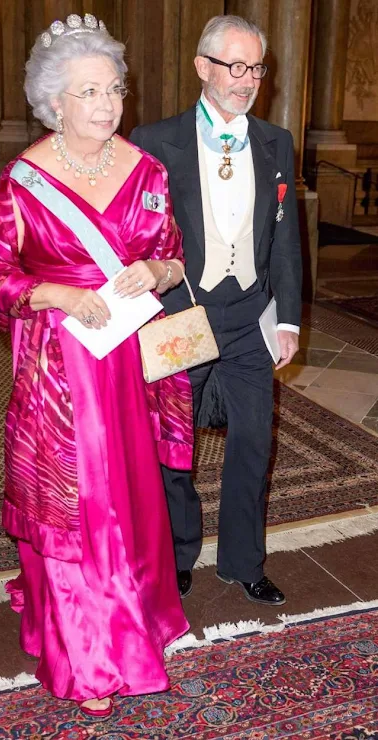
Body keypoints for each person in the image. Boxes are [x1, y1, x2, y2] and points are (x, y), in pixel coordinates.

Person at [0, 13, 193, 718]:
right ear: (54, 103)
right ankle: (90, 652)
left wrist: (154, 272)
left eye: (115, 89)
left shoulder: (146, 170)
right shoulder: (25, 179)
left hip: (126, 362)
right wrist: (53, 290)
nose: (106, 104)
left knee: (129, 491)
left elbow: (172, 253)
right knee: (82, 500)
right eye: (89, 92)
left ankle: (140, 620)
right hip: (60, 369)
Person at [131, 15, 302, 605]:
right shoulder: (153, 142)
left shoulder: (276, 142)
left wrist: (287, 318)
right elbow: (137, 237)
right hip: (181, 313)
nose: (247, 79)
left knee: (254, 440)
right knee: (172, 448)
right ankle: (178, 554)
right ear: (203, 67)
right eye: (235, 65)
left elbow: (285, 239)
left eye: (256, 67)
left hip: (249, 314)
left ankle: (242, 561)